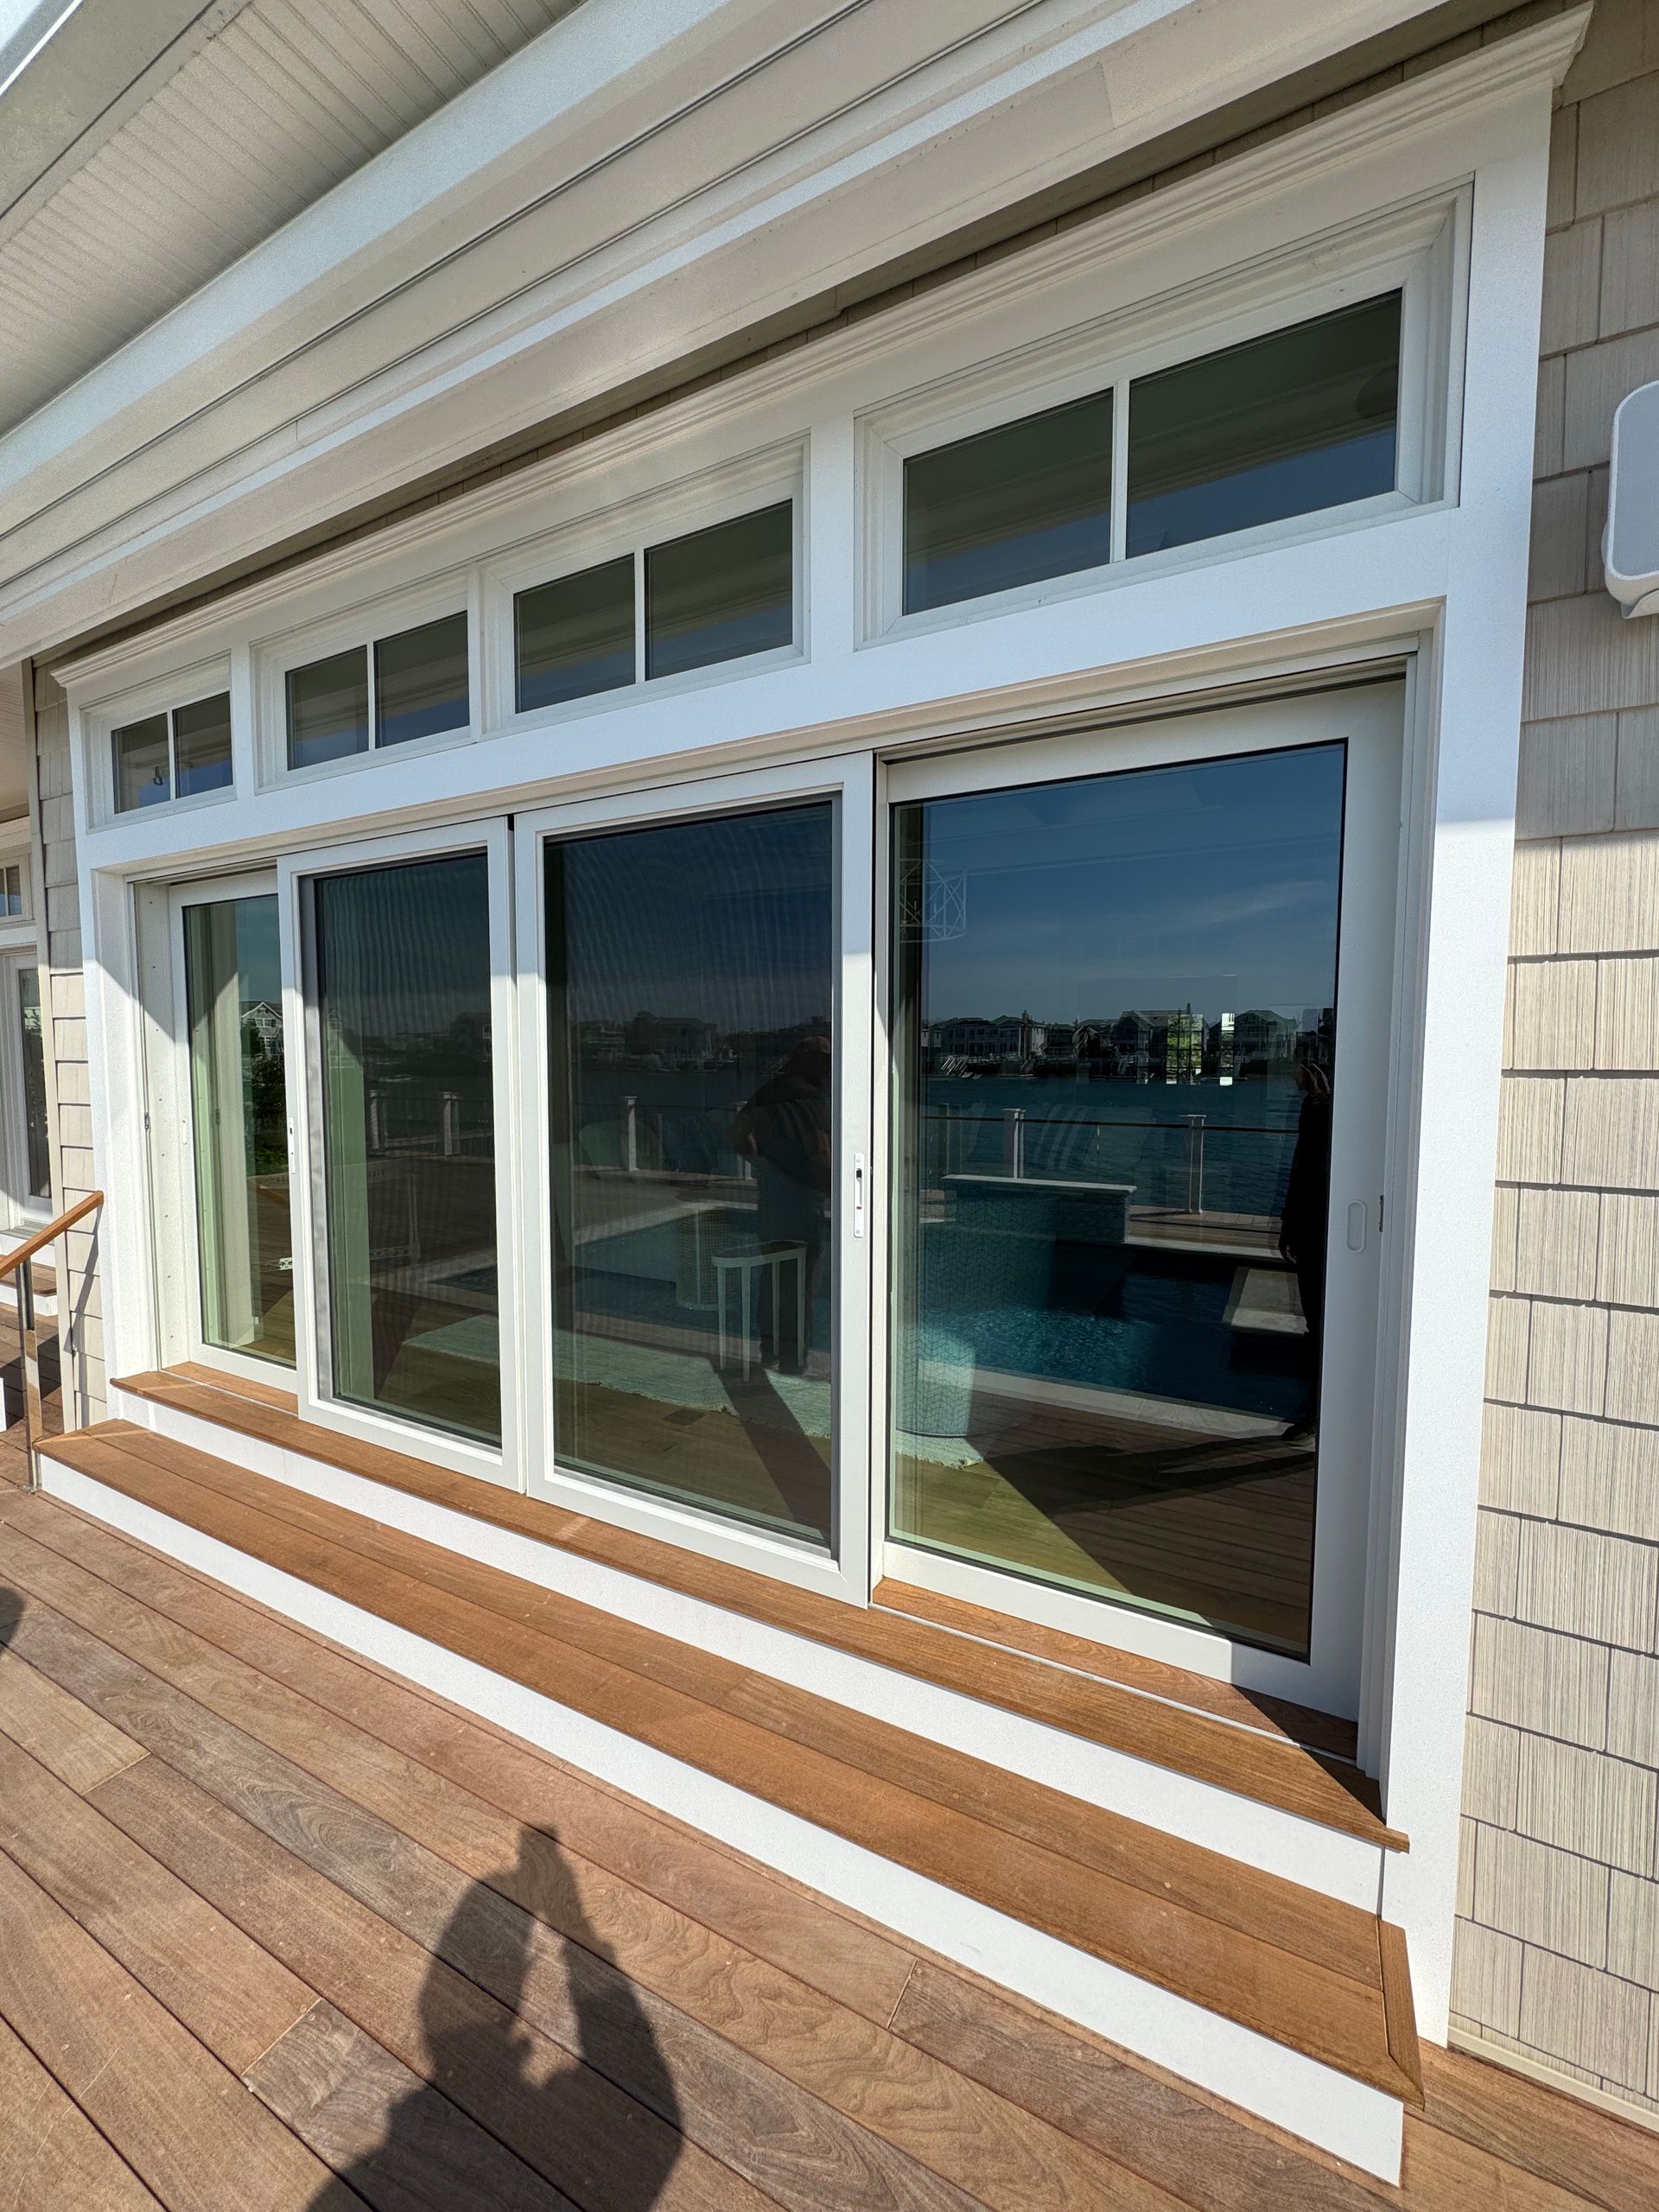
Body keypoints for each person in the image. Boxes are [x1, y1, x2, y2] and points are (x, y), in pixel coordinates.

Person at [727, 1033, 832, 1365]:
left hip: (774, 1199)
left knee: (774, 1276)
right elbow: (820, 1152)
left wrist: (763, 1164)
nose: (828, 1070)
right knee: (801, 1282)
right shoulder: (812, 1099)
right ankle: (792, 1357)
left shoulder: (768, 1094)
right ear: (811, 1062)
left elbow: (736, 1134)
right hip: (802, 1200)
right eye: (825, 1063)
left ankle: (770, 1351)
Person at [1278, 1058, 1332, 1443]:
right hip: (1312, 1230)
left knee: (1322, 1326)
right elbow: (1301, 1170)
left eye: (1297, 1073)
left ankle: (1319, 1413)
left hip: (1323, 1231)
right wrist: (1288, 1224)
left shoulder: (1325, 1113)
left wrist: (1291, 1224)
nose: (1291, 1080)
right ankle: (1318, 1411)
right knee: (1317, 1326)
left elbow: (1309, 1172)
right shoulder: (1316, 1109)